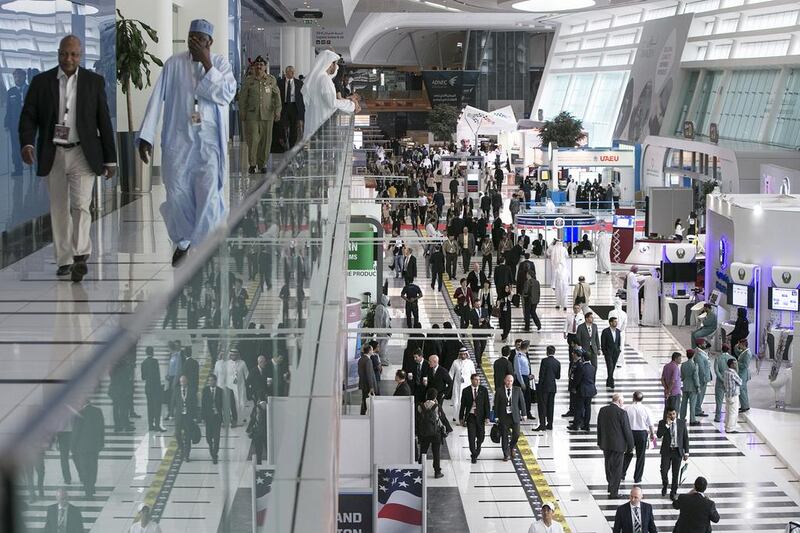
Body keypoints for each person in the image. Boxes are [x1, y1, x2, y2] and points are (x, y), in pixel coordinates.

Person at [138, 20, 236, 266]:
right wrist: (146, 136)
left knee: (208, 197)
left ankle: (204, 248)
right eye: (191, 37)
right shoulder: (173, 64)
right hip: (178, 143)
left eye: (200, 39)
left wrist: (206, 62)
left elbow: (226, 94)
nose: (194, 43)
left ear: (209, 42)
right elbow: (156, 99)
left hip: (209, 145)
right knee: (177, 196)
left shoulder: (221, 64)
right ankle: (183, 241)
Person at [19, 35, 116, 282]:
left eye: (73, 54)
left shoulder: (94, 82)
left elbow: (103, 121)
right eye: (64, 54)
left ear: (80, 56)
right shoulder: (42, 82)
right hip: (54, 153)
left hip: (83, 152)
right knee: (59, 208)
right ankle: (64, 261)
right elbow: (28, 115)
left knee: (81, 204)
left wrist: (110, 159)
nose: (68, 59)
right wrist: (28, 143)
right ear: (58, 54)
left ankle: (81, 254)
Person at [239, 55, 281, 174]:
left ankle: (263, 164)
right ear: (254, 67)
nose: (259, 67)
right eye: (257, 65)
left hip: (268, 115)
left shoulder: (271, 80)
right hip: (252, 115)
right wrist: (242, 112)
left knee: (266, 141)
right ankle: (252, 164)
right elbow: (243, 98)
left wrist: (278, 111)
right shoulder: (248, 81)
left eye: (261, 65)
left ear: (265, 67)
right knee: (253, 139)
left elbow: (277, 96)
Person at [301, 49, 359, 135]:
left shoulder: (316, 78)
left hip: (315, 124)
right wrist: (352, 105)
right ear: (330, 64)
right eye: (335, 64)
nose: (337, 67)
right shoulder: (324, 79)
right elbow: (332, 103)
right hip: (321, 126)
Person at [597, 393, 634, 498]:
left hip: (606, 443)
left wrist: (600, 441)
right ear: (619, 401)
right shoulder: (622, 413)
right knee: (617, 469)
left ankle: (610, 485)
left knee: (608, 466)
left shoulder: (603, 410)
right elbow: (627, 430)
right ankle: (614, 492)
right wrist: (631, 445)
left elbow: (599, 427)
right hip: (618, 446)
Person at [71, 400, 104, 497]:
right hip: (94, 446)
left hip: (82, 447)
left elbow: (76, 431)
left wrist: (73, 446)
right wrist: (101, 443)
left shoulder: (80, 413)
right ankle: (92, 485)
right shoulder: (98, 411)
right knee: (93, 467)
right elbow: (101, 428)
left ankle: (88, 490)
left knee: (84, 468)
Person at [623, 391, 656, 484]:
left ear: (633, 398)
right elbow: (650, 423)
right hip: (642, 433)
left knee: (628, 453)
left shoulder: (627, 408)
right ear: (642, 399)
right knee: (641, 456)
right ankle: (637, 477)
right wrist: (652, 434)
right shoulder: (646, 409)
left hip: (630, 433)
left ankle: (622, 473)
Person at [656, 407, 689, 499]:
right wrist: (667, 425)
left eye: (673, 414)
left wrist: (686, 452)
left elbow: (685, 438)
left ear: (676, 414)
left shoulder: (681, 423)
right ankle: (665, 484)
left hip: (677, 451)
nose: (672, 416)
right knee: (663, 470)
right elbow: (659, 435)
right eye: (670, 414)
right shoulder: (662, 423)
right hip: (666, 451)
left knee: (676, 473)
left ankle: (673, 492)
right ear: (667, 414)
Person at [459, 374, 490, 463]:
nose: (478, 381)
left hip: (480, 417)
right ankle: (473, 454)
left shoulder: (483, 390)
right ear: (471, 380)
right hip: (471, 417)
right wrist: (461, 418)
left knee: (481, 436)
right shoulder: (466, 391)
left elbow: (487, 404)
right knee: (471, 436)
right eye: (476, 380)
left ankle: (478, 447)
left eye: (479, 380)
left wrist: (487, 417)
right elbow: (463, 405)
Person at [495, 374, 526, 461]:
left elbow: (522, 402)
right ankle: (506, 454)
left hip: (515, 416)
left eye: (511, 381)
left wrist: (524, 414)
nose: (509, 382)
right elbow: (496, 404)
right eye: (508, 380)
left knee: (516, 434)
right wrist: (496, 416)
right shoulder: (499, 390)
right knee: (504, 436)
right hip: (504, 416)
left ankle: (511, 447)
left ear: (513, 382)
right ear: (505, 381)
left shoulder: (517, 390)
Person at [5, 68, 28, 176]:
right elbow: (8, 109)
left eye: (20, 76)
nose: (17, 78)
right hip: (15, 125)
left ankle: (36, 167)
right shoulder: (11, 92)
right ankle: (18, 169)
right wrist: (7, 123)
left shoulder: (30, 89)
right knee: (16, 147)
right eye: (15, 77)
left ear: (25, 77)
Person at [417, 388, 445, 478]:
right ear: (435, 397)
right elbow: (442, 418)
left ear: (426, 396)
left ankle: (420, 471)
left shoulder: (420, 406)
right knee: (436, 453)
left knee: (423, 452)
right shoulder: (437, 406)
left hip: (424, 433)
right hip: (435, 433)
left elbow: (418, 419)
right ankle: (437, 472)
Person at [569, 351, 597, 432]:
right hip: (590, 390)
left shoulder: (581, 367)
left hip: (582, 390)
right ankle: (586, 425)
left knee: (579, 408)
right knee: (588, 408)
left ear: (583, 358)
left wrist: (574, 387)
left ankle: (575, 425)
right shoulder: (593, 367)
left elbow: (577, 379)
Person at [277, 65, 305, 147]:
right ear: (286, 72)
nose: (292, 73)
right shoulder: (280, 83)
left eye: (293, 71)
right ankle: (284, 141)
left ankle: (292, 143)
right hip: (284, 106)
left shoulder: (299, 83)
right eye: (290, 71)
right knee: (282, 124)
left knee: (293, 126)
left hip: (294, 106)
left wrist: (302, 109)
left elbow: (302, 96)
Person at [536, 345, 560, 431]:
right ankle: (550, 424)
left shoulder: (544, 361)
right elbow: (558, 376)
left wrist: (539, 386)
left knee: (542, 406)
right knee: (551, 406)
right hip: (553, 387)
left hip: (544, 387)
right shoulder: (557, 362)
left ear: (547, 352)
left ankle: (542, 424)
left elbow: (541, 374)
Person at [201, 374, 224, 464]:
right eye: (209, 380)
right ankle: (211, 448)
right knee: (208, 437)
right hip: (208, 418)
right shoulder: (205, 390)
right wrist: (202, 418)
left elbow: (223, 405)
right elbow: (203, 405)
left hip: (217, 418)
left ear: (215, 381)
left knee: (217, 437)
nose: (211, 382)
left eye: (212, 380)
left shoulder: (220, 391)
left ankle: (215, 454)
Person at [141, 346, 165, 432]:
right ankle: (157, 425)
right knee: (157, 407)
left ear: (146, 352)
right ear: (153, 352)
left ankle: (151, 425)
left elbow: (143, 377)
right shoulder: (155, 362)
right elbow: (157, 376)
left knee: (150, 407)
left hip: (148, 388)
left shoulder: (143, 363)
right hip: (156, 388)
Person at [174, 375, 197, 461]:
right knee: (177, 434)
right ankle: (181, 449)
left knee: (188, 436)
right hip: (179, 416)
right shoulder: (176, 390)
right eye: (181, 382)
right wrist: (171, 413)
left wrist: (195, 417)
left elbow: (195, 404)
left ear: (187, 382)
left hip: (188, 416)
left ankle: (187, 454)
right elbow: (173, 401)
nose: (182, 383)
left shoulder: (192, 391)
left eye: (184, 381)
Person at [449, 347, 476, 419]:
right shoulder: (455, 362)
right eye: (461, 354)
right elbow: (451, 373)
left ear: (467, 355)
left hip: (467, 385)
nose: (463, 356)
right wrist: (448, 384)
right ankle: (456, 416)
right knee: (456, 401)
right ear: (459, 355)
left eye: (464, 354)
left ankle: (465, 416)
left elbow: (473, 374)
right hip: (457, 385)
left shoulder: (470, 363)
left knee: (465, 401)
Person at [713, 344, 735, 423]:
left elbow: (716, 370)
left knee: (719, 401)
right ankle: (729, 418)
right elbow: (736, 371)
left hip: (720, 382)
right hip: (730, 383)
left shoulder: (718, 358)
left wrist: (722, 379)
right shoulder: (733, 358)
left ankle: (718, 417)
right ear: (728, 350)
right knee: (730, 401)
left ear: (722, 350)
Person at [680, 349, 700, 425]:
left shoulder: (683, 364)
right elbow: (696, 377)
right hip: (692, 387)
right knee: (692, 404)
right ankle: (692, 419)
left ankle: (682, 418)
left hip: (685, 386)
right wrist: (697, 386)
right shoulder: (694, 365)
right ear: (693, 355)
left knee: (683, 403)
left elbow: (682, 376)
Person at [548, 240, 570, 310]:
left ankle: (558, 304)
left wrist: (553, 285)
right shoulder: (564, 249)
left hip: (558, 282)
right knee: (564, 293)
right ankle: (564, 305)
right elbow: (567, 255)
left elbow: (548, 253)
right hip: (564, 283)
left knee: (558, 294)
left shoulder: (554, 248)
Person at [602, 316, 623, 388]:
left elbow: (618, 341)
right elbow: (603, 342)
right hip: (608, 352)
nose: (616, 323)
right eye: (614, 321)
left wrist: (618, 350)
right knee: (610, 367)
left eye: (616, 321)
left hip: (616, 352)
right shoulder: (605, 331)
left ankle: (608, 380)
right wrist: (604, 351)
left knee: (613, 367)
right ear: (610, 323)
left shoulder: (618, 331)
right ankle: (611, 381)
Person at [693, 339, 712, 418]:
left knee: (701, 394)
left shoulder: (702, 353)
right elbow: (701, 368)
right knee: (700, 394)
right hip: (702, 379)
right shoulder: (699, 355)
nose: (705, 344)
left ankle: (698, 408)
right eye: (704, 343)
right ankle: (697, 410)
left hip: (704, 377)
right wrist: (703, 378)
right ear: (700, 345)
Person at [661, 352, 683, 417]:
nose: (680, 360)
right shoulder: (675, 367)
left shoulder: (666, 366)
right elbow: (673, 381)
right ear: (675, 359)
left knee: (667, 410)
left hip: (667, 392)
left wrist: (666, 389)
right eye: (679, 359)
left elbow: (662, 379)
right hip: (675, 393)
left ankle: (665, 425)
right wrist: (669, 391)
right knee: (674, 411)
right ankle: (673, 426)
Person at [724, 358, 742, 433]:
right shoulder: (733, 373)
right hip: (733, 395)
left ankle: (727, 426)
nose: (736, 365)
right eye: (735, 363)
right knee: (733, 412)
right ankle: (730, 428)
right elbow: (740, 382)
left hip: (728, 394)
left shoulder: (726, 371)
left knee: (728, 411)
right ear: (731, 364)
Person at [358, 344, 376, 415]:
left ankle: (362, 413)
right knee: (367, 400)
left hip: (363, 383)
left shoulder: (361, 359)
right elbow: (369, 375)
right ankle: (364, 414)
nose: (372, 351)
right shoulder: (368, 360)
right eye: (372, 350)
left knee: (364, 399)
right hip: (367, 385)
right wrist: (371, 387)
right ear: (369, 351)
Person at [736, 338, 752, 412]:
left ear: (743, 345)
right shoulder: (744, 352)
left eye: (739, 344)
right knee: (743, 390)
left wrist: (736, 363)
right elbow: (738, 353)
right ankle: (744, 405)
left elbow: (745, 365)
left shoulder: (747, 353)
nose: (739, 346)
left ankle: (744, 406)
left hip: (743, 374)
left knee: (742, 390)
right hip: (742, 373)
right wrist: (736, 346)